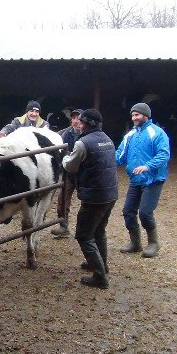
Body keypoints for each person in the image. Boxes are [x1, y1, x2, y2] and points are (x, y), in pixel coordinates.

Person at [62, 109, 118, 289]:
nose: (79, 124)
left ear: (87, 124)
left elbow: (71, 166)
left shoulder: (82, 143)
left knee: (84, 235)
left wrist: (63, 158)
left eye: (82, 121)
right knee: (99, 230)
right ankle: (101, 264)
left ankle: (100, 277)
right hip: (110, 194)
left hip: (94, 196)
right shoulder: (107, 139)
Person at [115, 102, 170, 258]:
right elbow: (119, 155)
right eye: (132, 115)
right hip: (135, 179)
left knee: (145, 213)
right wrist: (106, 163)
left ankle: (153, 243)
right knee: (128, 211)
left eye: (137, 115)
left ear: (146, 115)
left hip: (153, 179)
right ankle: (135, 243)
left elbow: (164, 154)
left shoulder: (157, 133)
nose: (134, 118)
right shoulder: (130, 135)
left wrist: (147, 166)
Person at [51, 108, 84, 238]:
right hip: (69, 172)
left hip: (83, 173)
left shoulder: (88, 133)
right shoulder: (66, 134)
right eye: (74, 118)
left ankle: (84, 229)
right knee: (63, 200)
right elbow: (60, 150)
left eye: (78, 118)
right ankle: (64, 226)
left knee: (87, 201)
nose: (76, 121)